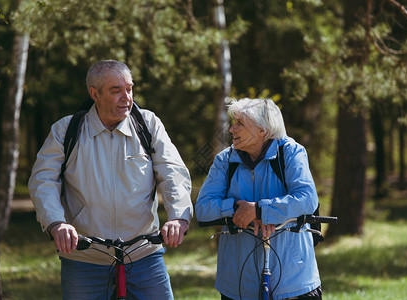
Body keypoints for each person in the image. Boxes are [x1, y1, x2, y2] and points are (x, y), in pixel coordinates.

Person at [28, 60, 193, 299]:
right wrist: (56, 223)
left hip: (144, 255)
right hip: (84, 256)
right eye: (116, 90)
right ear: (94, 93)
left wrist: (178, 217)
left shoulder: (148, 124)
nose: (127, 97)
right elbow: (43, 180)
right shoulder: (66, 130)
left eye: (129, 89)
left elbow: (173, 173)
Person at [196, 98, 322, 300]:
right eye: (233, 123)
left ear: (263, 130)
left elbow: (307, 198)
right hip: (238, 283)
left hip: (293, 281)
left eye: (240, 124)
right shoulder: (224, 160)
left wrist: (260, 210)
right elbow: (203, 208)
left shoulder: (291, 152)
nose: (232, 130)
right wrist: (238, 210)